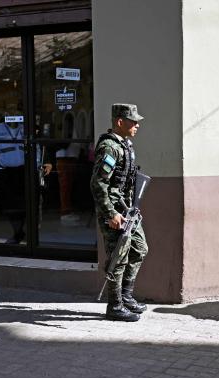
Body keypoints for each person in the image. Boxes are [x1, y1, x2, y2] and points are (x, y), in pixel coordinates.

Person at [90, 103, 148, 322]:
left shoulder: (125, 145)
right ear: (120, 122)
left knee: (139, 249)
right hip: (114, 212)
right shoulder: (109, 147)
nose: (137, 125)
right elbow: (98, 184)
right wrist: (110, 214)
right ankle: (114, 306)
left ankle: (126, 296)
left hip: (127, 210)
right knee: (118, 257)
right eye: (133, 121)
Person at [0, 117, 52, 243]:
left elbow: (36, 148)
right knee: (11, 205)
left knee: (27, 204)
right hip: (6, 172)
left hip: (25, 171)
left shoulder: (25, 128)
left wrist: (38, 166)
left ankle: (30, 235)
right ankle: (18, 232)